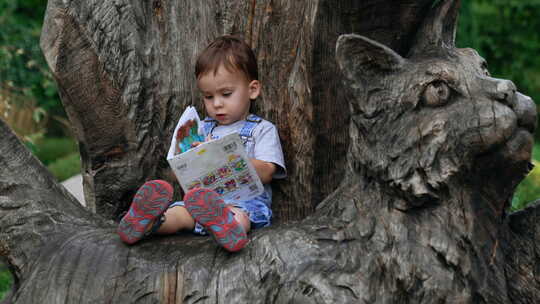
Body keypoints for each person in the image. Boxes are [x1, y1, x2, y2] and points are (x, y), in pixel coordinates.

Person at [117, 36, 286, 252]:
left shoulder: (261, 129)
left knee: (241, 216)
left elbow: (268, 171)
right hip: (200, 205)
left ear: (252, 89)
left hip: (243, 203)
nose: (217, 104)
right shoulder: (201, 129)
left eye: (226, 94)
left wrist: (227, 158)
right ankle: (148, 222)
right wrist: (190, 160)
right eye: (208, 96)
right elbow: (183, 177)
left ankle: (228, 227)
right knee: (178, 213)